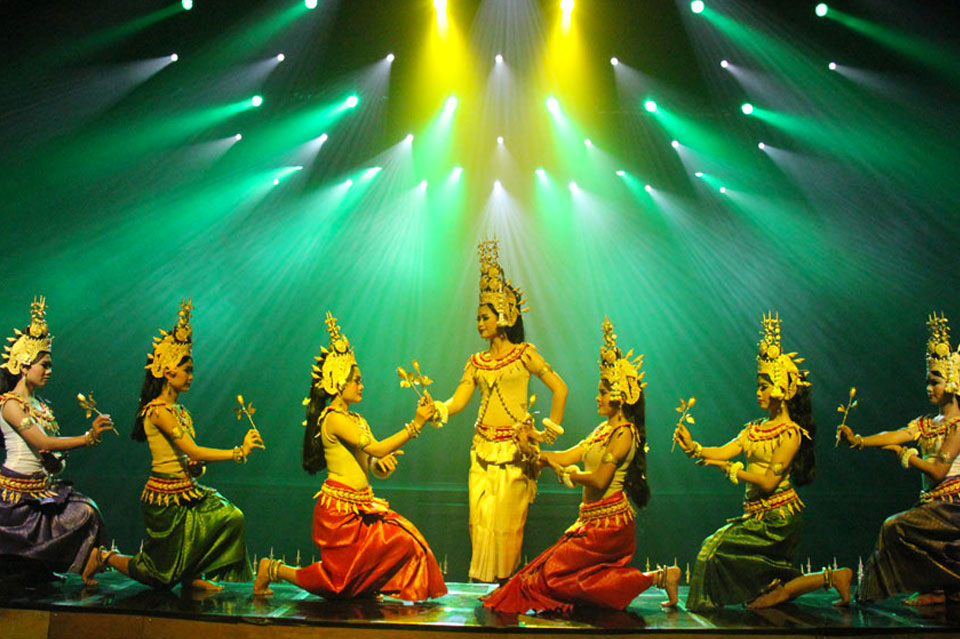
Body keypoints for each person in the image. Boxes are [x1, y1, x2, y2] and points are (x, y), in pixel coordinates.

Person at [483, 318, 679, 614]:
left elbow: (599, 480)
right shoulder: (602, 430)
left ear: (619, 397)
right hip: (590, 523)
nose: (597, 398)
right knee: (551, 575)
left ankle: (654, 578)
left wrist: (572, 475)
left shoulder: (625, 434)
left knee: (551, 577)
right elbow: (567, 455)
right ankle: (661, 577)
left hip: (610, 528)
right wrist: (532, 451)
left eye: (602, 392)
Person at [253, 312, 446, 601]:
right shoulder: (333, 418)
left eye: (360, 380)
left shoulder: (357, 419)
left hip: (362, 507)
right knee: (337, 584)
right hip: (340, 514)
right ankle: (273, 569)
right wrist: (415, 425)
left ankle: (366, 585)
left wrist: (381, 466)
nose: (361, 385)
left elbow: (371, 459)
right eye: (356, 380)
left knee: (406, 541)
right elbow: (377, 448)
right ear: (339, 382)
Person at [675, 312, 852, 611]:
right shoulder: (754, 428)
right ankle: (834, 576)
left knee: (714, 549)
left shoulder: (791, 434)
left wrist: (735, 470)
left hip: (779, 520)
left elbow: (769, 482)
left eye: (764, 386)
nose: (758, 393)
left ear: (782, 390)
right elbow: (725, 450)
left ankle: (706, 614)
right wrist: (695, 448)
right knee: (768, 587)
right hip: (757, 516)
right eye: (758, 386)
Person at [82, 299, 263, 590]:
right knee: (159, 575)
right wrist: (238, 452)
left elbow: (191, 459)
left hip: (186, 491)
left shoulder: (180, 411)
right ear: (168, 372)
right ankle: (105, 557)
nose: (191, 376)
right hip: (165, 499)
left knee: (230, 517)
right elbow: (193, 449)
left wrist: (195, 468)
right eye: (186, 370)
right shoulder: (158, 411)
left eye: (191, 370)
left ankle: (192, 576)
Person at [437, 239, 568, 583]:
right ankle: (484, 592)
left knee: (507, 527)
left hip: (514, 450)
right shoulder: (476, 362)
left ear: (504, 317)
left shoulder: (524, 353)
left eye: (485, 317)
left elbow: (560, 388)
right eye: (477, 318)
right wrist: (437, 409)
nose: (479, 323)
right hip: (481, 449)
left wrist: (547, 433)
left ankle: (505, 593)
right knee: (479, 523)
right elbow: (458, 401)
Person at [843, 313, 960, 606]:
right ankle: (936, 590)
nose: (928, 388)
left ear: (953, 383)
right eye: (927, 382)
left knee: (894, 526)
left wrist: (906, 455)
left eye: (935, 382)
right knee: (907, 532)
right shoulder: (928, 423)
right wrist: (859, 440)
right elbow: (895, 434)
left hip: (952, 508)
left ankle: (872, 595)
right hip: (934, 504)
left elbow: (938, 471)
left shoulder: (958, 426)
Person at [0, 297, 114, 583]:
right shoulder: (9, 405)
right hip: (14, 496)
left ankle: (47, 567)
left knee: (87, 511)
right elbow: (43, 443)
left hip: (41, 488)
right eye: (44, 365)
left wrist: (56, 464)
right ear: (23, 365)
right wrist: (87, 437)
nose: (49, 371)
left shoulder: (41, 406)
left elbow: (50, 454)